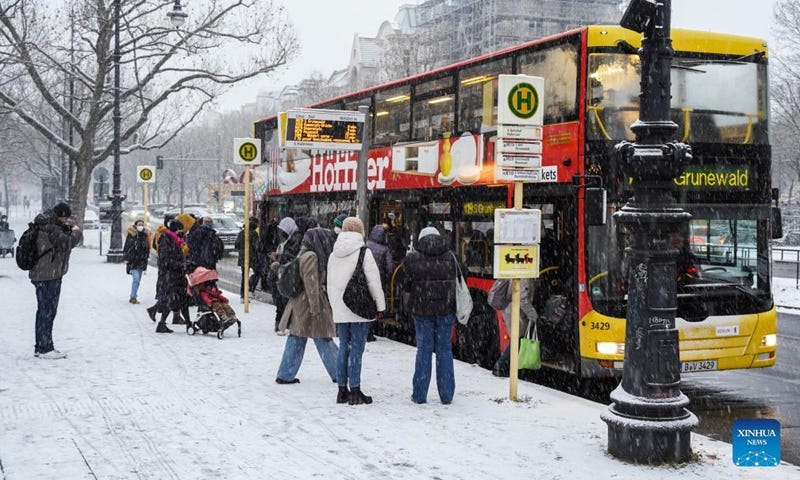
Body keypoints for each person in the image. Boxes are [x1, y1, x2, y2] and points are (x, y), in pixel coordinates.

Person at [328, 217, 386, 405]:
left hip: (340, 306)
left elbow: (329, 283)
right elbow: (373, 282)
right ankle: (355, 390)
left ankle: (341, 391)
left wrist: (335, 304)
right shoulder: (364, 252)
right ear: (361, 231)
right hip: (359, 306)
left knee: (344, 346)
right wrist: (380, 306)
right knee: (357, 349)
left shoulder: (333, 253)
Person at [401, 226, 458, 404]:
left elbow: (405, 285)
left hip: (422, 311)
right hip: (446, 310)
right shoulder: (451, 257)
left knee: (424, 350)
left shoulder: (412, 259)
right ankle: (447, 395)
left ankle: (419, 395)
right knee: (445, 350)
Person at [275, 227, 339, 384]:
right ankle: (339, 371)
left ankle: (285, 374)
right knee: (323, 337)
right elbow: (311, 284)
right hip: (308, 304)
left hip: (299, 304)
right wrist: (315, 308)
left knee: (298, 338)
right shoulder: (311, 256)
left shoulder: (303, 253)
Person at [29, 202, 82, 359]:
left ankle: (41, 346)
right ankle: (45, 348)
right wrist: (77, 232)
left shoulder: (45, 223)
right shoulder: (51, 227)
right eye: (65, 218)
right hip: (48, 275)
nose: (66, 221)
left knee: (43, 310)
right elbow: (67, 243)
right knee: (48, 311)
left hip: (42, 274)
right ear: (61, 216)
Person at [491, 278, 538, 377]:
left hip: (511, 310)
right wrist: (533, 315)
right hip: (515, 312)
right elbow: (523, 299)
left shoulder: (519, 274)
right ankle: (500, 365)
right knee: (517, 340)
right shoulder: (524, 277)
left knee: (517, 339)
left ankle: (506, 366)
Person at [154, 219, 189, 333]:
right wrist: (179, 264)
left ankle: (188, 323)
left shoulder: (175, 240)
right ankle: (161, 324)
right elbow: (165, 260)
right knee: (172, 299)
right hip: (170, 275)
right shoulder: (166, 239)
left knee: (181, 299)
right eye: (180, 230)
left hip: (177, 274)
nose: (181, 233)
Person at [123, 219, 151, 304]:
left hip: (141, 261)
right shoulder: (131, 235)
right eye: (139, 224)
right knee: (136, 279)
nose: (140, 226)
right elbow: (127, 247)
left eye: (142, 224)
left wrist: (145, 258)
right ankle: (133, 297)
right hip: (133, 261)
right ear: (135, 225)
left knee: (138, 281)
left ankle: (133, 295)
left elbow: (147, 249)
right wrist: (126, 258)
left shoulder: (145, 235)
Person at [236, 217, 262, 300]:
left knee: (244, 276)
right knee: (258, 272)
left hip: (243, 257)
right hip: (252, 257)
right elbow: (257, 246)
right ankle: (250, 289)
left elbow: (236, 245)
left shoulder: (241, 233)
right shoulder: (254, 234)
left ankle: (243, 295)